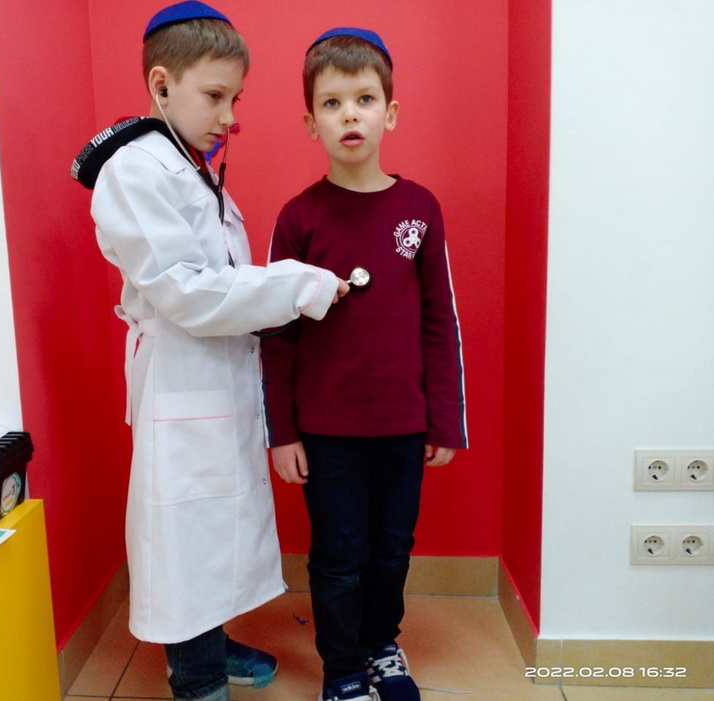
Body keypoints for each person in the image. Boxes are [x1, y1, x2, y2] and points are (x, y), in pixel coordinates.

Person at [70, 4, 349, 701]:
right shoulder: (135, 170)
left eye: (235, 99)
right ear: (162, 85)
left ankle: (212, 646)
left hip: (217, 376)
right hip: (181, 375)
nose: (228, 117)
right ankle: (194, 677)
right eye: (215, 96)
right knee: (186, 532)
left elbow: (218, 280)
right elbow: (186, 291)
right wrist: (299, 285)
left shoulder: (188, 168)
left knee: (215, 525)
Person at [261, 27, 468, 701]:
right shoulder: (298, 218)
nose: (349, 114)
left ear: (390, 112)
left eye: (364, 99)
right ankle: (343, 666)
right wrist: (282, 432)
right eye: (332, 103)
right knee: (338, 553)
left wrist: (444, 420)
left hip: (403, 424)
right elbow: (277, 332)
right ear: (311, 122)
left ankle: (382, 645)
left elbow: (439, 320)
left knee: (390, 547)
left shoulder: (420, 209)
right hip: (326, 430)